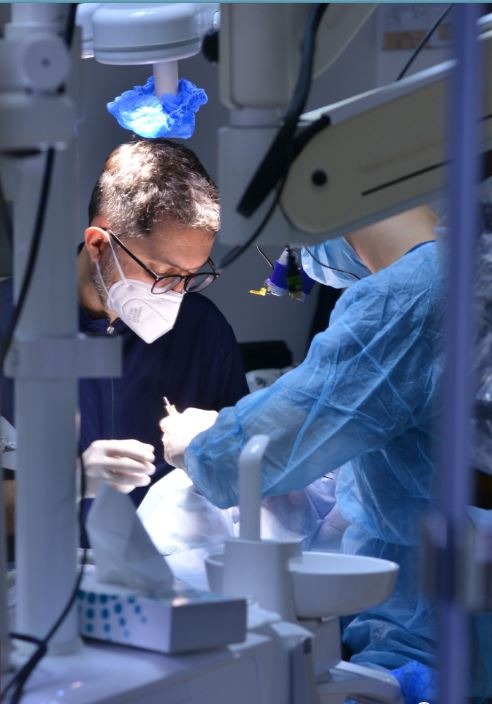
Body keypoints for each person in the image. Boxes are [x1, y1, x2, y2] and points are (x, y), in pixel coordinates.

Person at [161, 205, 446, 695]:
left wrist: (195, 444)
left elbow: (252, 455)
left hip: (432, 635)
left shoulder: (410, 298)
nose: (295, 262)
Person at [0, 138, 249, 530]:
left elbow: (247, 479)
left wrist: (224, 452)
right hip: (41, 565)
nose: (177, 293)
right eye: (162, 273)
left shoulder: (202, 330)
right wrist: (69, 483)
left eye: (191, 275)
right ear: (99, 244)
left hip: (168, 563)